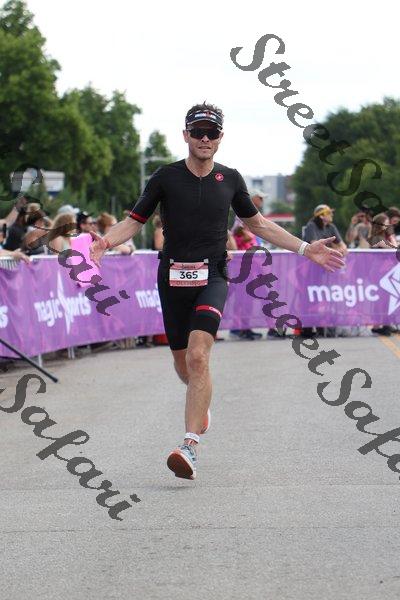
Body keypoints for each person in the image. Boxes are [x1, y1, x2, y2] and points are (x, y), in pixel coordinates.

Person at [89, 102, 344, 481]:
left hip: (213, 276)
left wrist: (306, 249)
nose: (205, 139)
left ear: (220, 138)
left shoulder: (231, 179)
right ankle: (201, 401)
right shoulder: (164, 177)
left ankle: (189, 445)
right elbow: (134, 221)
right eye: (198, 132)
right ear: (186, 135)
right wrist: (105, 243)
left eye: (211, 133)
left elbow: (259, 225)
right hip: (171, 280)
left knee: (198, 357)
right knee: (184, 365)